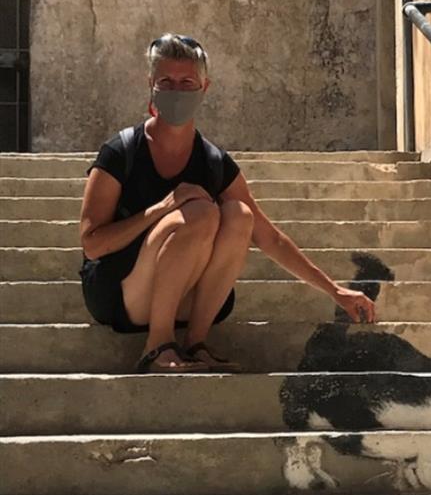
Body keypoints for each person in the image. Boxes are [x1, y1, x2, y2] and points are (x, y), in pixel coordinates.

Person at [79, 33, 376, 373]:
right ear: (151, 86)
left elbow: (270, 238)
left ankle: (195, 342)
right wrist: (162, 208)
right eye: (167, 82)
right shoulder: (121, 153)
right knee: (200, 214)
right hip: (121, 295)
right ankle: (157, 345)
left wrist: (336, 291)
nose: (176, 90)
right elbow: (92, 244)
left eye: (187, 82)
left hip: (184, 296)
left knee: (238, 214)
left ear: (204, 88)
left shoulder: (213, 162)